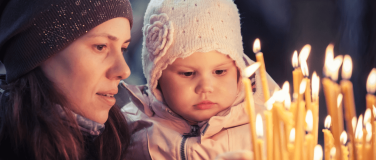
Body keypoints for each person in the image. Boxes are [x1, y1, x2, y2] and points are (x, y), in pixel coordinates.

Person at [120, 0, 278, 159]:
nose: (206, 87)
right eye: (188, 74)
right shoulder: (131, 128)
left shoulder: (265, 126)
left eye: (220, 71)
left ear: (238, 71)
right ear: (157, 78)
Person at [0, 0, 134, 159]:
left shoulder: (127, 144)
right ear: (39, 54)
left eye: (123, 49)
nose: (124, 71)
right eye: (100, 46)